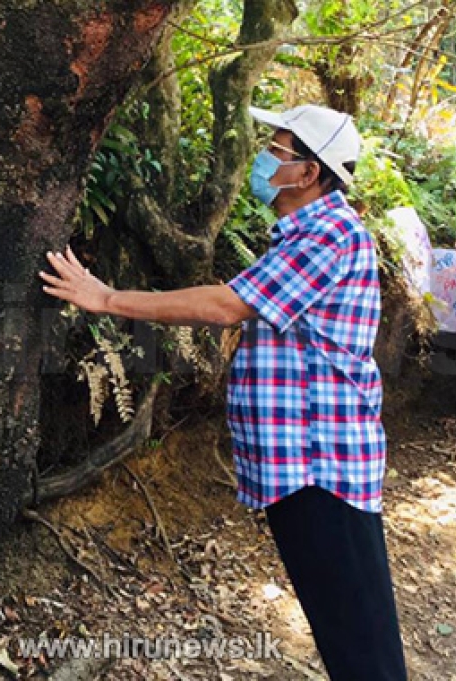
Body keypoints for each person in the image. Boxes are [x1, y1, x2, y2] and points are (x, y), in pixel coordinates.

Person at [40, 105, 408, 679]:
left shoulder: (328, 235)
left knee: (363, 649)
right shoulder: (306, 234)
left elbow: (226, 305)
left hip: (323, 468)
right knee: (345, 635)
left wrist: (109, 299)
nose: (264, 156)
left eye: (276, 148)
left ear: (308, 172)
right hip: (309, 467)